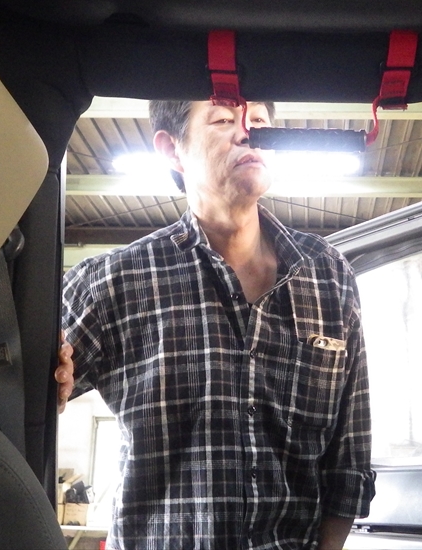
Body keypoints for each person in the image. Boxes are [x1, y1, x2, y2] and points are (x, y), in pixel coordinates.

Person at [55, 99, 374, 550]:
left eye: (258, 120)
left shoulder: (327, 274)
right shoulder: (113, 281)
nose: (248, 133)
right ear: (172, 149)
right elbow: (16, 394)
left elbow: (348, 458)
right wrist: (54, 378)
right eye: (223, 119)